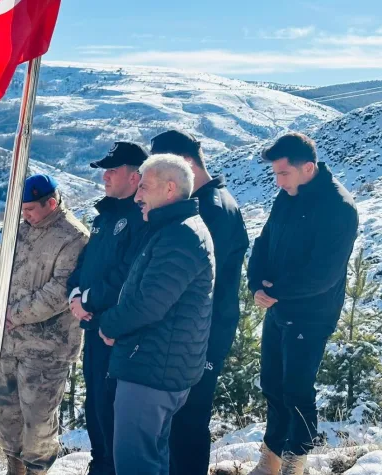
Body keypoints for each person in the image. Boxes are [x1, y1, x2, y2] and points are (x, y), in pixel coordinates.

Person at [80, 154, 215, 474]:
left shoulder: (180, 236)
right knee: (150, 460)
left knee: (135, 462)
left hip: (151, 371)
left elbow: (149, 304)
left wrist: (108, 323)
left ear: (170, 189)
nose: (138, 195)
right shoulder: (171, 229)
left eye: (145, 187)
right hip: (156, 363)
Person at [247, 133, 358, 475]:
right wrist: (255, 284)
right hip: (279, 306)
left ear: (307, 168)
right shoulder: (287, 196)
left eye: (283, 174)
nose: (277, 182)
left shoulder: (338, 208)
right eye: (276, 175)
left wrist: (275, 289)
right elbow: (263, 242)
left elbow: (323, 273)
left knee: (296, 388)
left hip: (311, 313)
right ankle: (272, 456)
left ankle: (297, 460)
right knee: (272, 384)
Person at [150, 130, 249, 475]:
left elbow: (197, 281)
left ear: (186, 165)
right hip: (206, 330)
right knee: (184, 423)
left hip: (202, 334)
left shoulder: (210, 209)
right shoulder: (219, 200)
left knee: (187, 424)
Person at [0, 175, 89, 475]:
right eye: (22, 209)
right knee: (7, 416)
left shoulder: (73, 237)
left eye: (31, 209)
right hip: (9, 343)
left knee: (37, 421)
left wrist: (12, 314)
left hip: (47, 348)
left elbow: (60, 291)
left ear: (51, 203)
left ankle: (37, 470)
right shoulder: (21, 231)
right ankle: (14, 467)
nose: (25, 215)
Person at [67, 141, 149, 475]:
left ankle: (112, 467)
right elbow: (85, 262)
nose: (105, 177)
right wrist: (75, 293)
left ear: (135, 177)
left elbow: (127, 273)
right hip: (91, 325)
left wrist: (88, 300)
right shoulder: (106, 215)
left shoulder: (140, 216)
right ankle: (99, 463)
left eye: (112, 170)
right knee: (95, 402)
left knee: (112, 405)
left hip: (116, 329)